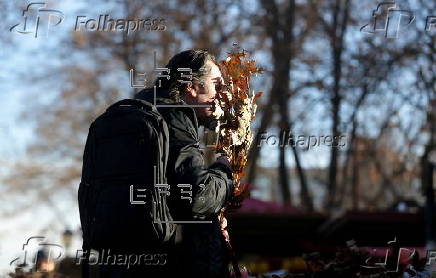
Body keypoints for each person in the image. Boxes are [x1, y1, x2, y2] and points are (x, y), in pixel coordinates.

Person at [135, 49, 235, 278]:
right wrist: (223, 171)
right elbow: (198, 195)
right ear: (191, 86)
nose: (221, 96)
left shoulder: (140, 111)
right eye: (216, 86)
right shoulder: (175, 116)